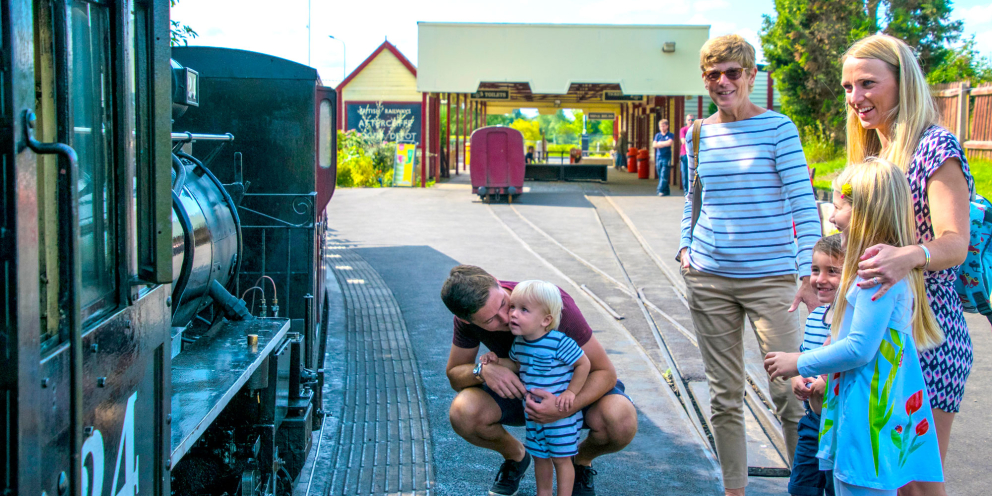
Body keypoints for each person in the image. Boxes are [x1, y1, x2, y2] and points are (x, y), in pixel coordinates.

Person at [679, 34, 820, 496]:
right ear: (704, 79)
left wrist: (809, 273)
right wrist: (685, 249)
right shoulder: (698, 132)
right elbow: (694, 197)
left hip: (772, 280)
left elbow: (804, 205)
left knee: (791, 393)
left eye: (733, 73)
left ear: (751, 76)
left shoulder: (779, 128)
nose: (723, 82)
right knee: (724, 395)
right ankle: (734, 490)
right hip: (709, 277)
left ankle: (805, 488)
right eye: (713, 74)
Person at [839, 35, 973, 496]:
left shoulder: (935, 146)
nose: (856, 98)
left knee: (915, 486)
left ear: (902, 83)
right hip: (879, 336)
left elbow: (956, 242)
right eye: (848, 87)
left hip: (926, 337)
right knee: (881, 482)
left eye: (868, 84)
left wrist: (907, 256)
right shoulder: (872, 151)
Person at [765, 159, 945, 496]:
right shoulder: (878, 266)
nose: (831, 217)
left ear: (863, 211)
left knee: (858, 485)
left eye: (838, 206)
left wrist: (798, 361)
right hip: (868, 404)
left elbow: (859, 348)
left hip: (868, 411)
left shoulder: (874, 271)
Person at [441, 265, 637, 496]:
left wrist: (564, 407)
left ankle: (580, 461)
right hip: (523, 393)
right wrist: (481, 370)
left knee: (621, 420)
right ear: (466, 321)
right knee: (463, 412)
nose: (507, 318)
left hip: (570, 389)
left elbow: (605, 372)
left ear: (496, 280)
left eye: (504, 303)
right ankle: (516, 456)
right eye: (490, 320)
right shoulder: (466, 321)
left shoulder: (549, 303)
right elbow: (455, 375)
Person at [478, 280, 591, 496]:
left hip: (560, 415)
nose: (513, 314)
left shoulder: (559, 342)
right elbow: (517, 365)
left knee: (561, 459)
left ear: (545, 320)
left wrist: (571, 392)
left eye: (524, 310)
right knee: (541, 457)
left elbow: (583, 363)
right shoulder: (520, 343)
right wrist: (496, 362)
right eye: (513, 307)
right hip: (533, 415)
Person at [788, 234, 843, 496]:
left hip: (842, 425)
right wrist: (797, 379)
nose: (820, 279)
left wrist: (825, 381)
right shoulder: (815, 317)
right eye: (815, 270)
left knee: (837, 488)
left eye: (832, 271)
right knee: (801, 488)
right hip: (812, 421)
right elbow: (804, 360)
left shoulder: (850, 321)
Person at [652, 119, 674, 196]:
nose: (662, 128)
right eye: (660, 126)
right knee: (660, 174)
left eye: (663, 126)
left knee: (664, 174)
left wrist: (660, 143)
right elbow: (654, 145)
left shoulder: (670, 135)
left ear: (667, 126)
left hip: (666, 157)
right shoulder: (657, 135)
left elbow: (669, 143)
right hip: (658, 157)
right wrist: (663, 143)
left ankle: (660, 190)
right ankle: (666, 191)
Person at [679, 114, 695, 191]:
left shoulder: (696, 130)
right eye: (689, 119)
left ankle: (693, 190)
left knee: (694, 173)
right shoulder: (683, 130)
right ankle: (686, 191)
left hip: (694, 154)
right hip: (684, 154)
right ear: (686, 121)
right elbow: (683, 141)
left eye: (692, 120)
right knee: (685, 173)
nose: (690, 121)